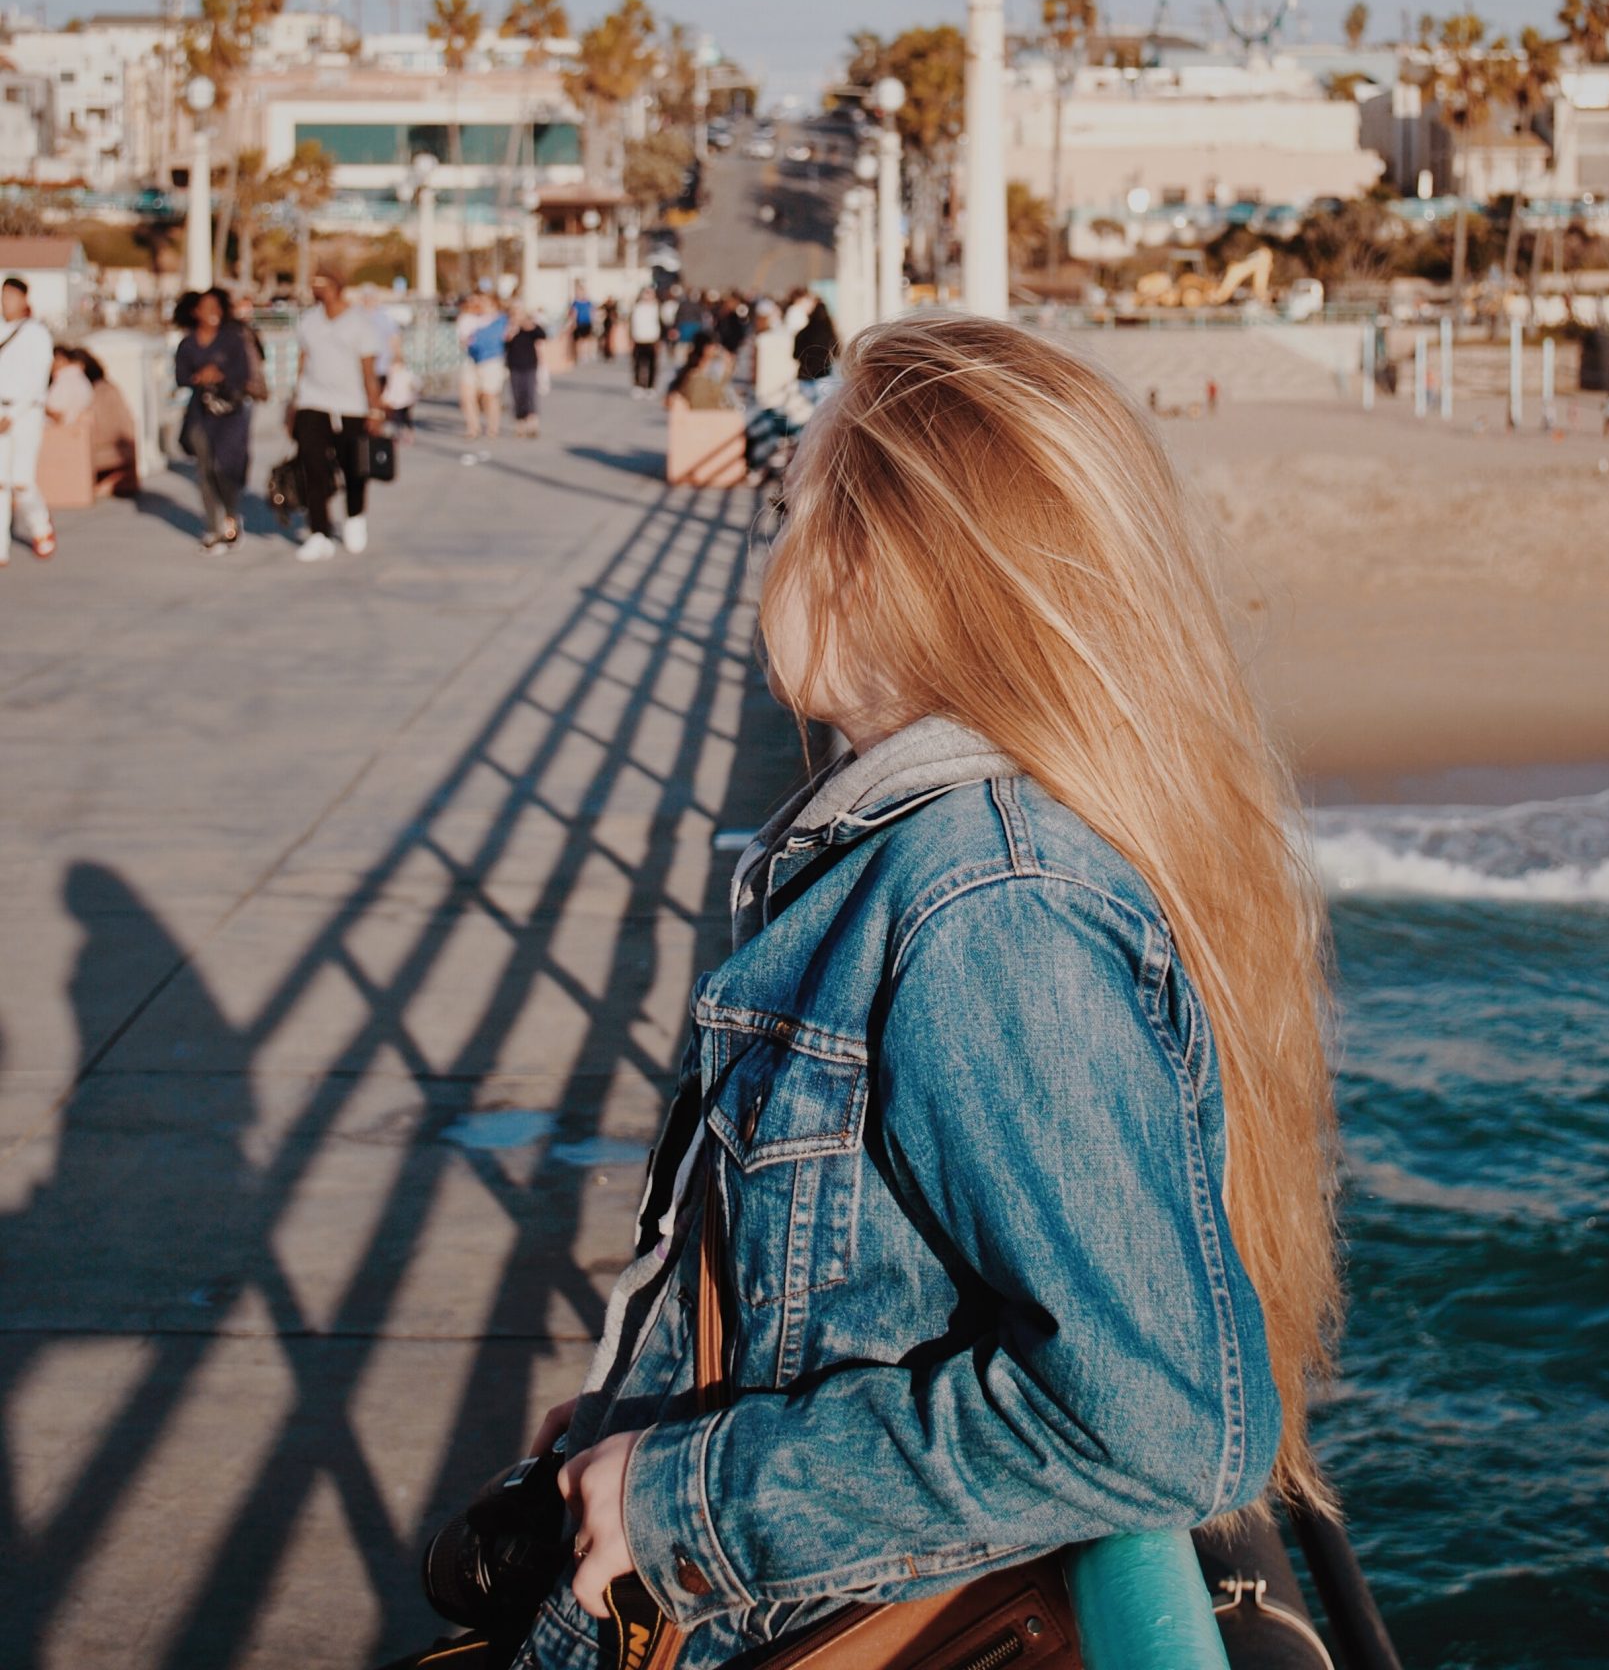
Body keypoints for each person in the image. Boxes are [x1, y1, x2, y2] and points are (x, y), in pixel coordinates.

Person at [518, 317, 1334, 1667]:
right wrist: (650, 1407)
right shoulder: (959, 872)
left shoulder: (985, 901)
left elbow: (1162, 1418)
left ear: (886, 562)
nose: (774, 548)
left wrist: (689, 1496)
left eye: (796, 507)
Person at [289, 266, 384, 562]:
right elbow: (302, 362)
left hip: (352, 406)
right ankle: (319, 533)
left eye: (322, 283)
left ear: (337, 285)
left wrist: (375, 408)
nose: (317, 289)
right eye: (313, 283)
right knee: (313, 468)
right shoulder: (308, 321)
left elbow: (369, 371)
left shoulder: (359, 322)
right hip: (312, 403)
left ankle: (355, 517)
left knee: (354, 467)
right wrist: (293, 403)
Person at [173, 287, 253, 551]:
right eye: (206, 308)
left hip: (230, 413)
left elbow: (243, 374)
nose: (212, 313)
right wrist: (198, 377)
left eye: (216, 307)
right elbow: (181, 377)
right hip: (200, 414)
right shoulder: (187, 343)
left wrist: (219, 374)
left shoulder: (233, 339)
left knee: (226, 467)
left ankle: (231, 515)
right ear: (195, 312)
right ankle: (213, 526)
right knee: (205, 469)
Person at [0, 274, 56, 563]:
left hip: (25, 413)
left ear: (23, 298)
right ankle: (1, 546)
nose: (5, 301)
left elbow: (38, 380)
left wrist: (13, 413)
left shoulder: (36, 333)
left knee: (22, 480)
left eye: (10, 295)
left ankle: (40, 525)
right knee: (0, 481)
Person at [71, 347, 139, 495]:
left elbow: (100, 422)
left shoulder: (97, 391)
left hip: (105, 441)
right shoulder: (105, 387)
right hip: (118, 440)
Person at [460, 292, 508, 439]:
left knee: (489, 395)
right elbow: (462, 338)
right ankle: (473, 427)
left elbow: (496, 339)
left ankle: (493, 427)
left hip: (491, 360)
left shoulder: (500, 320)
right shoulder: (470, 319)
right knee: (466, 395)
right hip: (470, 359)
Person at [663, 334, 737, 412]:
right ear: (705, 348)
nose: (716, 349)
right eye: (714, 346)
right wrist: (727, 371)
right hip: (702, 413)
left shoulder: (714, 366)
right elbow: (713, 394)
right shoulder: (694, 373)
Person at [506, 302, 548, 435]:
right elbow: (503, 344)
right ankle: (520, 424)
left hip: (530, 365)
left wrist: (531, 326)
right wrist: (510, 333)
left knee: (530, 393)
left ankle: (533, 423)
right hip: (514, 365)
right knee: (517, 395)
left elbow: (542, 335)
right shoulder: (509, 328)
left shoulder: (530, 327)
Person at [628, 286, 663, 395]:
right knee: (637, 364)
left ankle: (650, 386)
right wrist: (630, 337)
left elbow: (661, 324)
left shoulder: (657, 307)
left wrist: (660, 339)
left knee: (652, 364)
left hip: (652, 339)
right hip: (639, 338)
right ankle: (638, 385)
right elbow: (631, 323)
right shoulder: (636, 307)